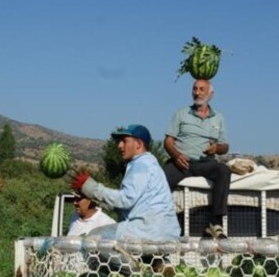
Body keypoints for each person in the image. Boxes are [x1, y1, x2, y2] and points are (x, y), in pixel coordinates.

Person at [71, 124, 180, 241]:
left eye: (124, 141)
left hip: (147, 231)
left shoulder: (141, 165)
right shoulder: (149, 164)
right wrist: (95, 198)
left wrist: (92, 188)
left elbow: (125, 200)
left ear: (138, 144)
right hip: (162, 231)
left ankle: (130, 260)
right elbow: (129, 204)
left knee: (93, 238)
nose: (120, 145)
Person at [163, 78, 231, 238]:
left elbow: (225, 146)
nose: (197, 93)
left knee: (224, 171)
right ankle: (160, 223)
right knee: (160, 180)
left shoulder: (218, 118)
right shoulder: (181, 113)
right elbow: (168, 142)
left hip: (204, 163)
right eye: (195, 89)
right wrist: (176, 155)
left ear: (210, 94)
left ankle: (215, 223)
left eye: (201, 89)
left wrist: (216, 148)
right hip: (182, 162)